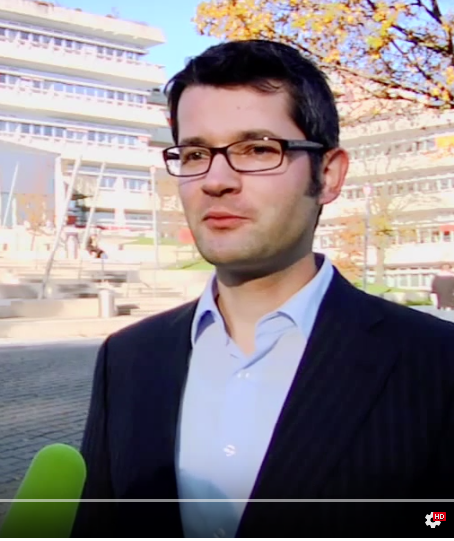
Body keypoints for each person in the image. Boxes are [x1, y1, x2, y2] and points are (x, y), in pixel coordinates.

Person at [72, 40, 454, 538]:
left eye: (257, 149)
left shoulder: (435, 363)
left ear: (329, 174)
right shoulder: (127, 358)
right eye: (195, 153)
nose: (217, 180)